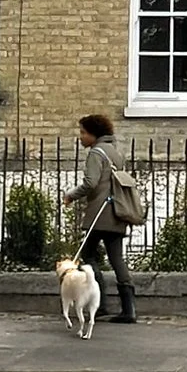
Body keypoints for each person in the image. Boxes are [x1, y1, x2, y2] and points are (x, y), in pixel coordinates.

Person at [72, 112, 137, 324]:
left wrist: (70, 195)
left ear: (93, 134)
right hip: (117, 212)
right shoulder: (114, 153)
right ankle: (129, 310)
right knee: (116, 259)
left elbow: (90, 183)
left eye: (83, 132)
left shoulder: (96, 153)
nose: (80, 137)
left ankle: (99, 304)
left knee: (87, 256)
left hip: (100, 214)